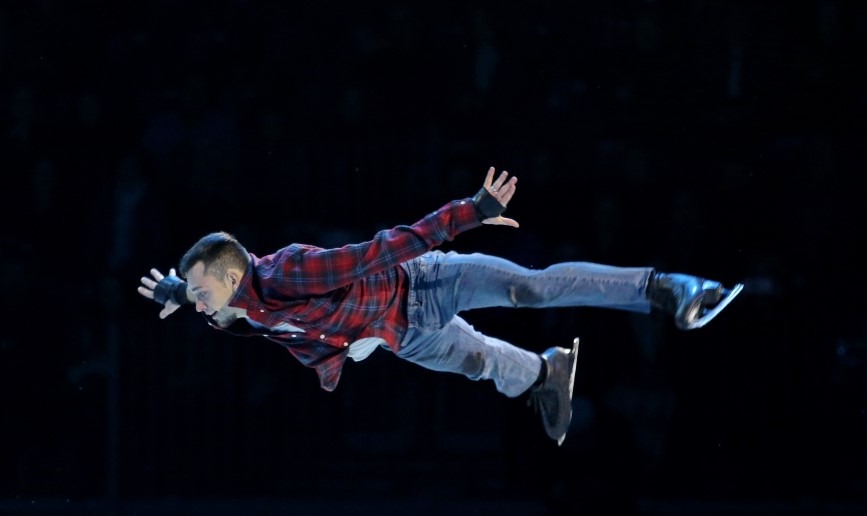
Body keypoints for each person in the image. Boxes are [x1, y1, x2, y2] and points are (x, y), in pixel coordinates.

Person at [137, 166, 742, 445]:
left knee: (529, 288)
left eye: (202, 292)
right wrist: (175, 290)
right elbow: (227, 313)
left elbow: (380, 250)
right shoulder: (238, 305)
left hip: (420, 283)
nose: (199, 306)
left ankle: (667, 288)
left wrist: (468, 213)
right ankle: (547, 371)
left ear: (233, 274)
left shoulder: (290, 271)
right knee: (484, 362)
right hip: (403, 336)